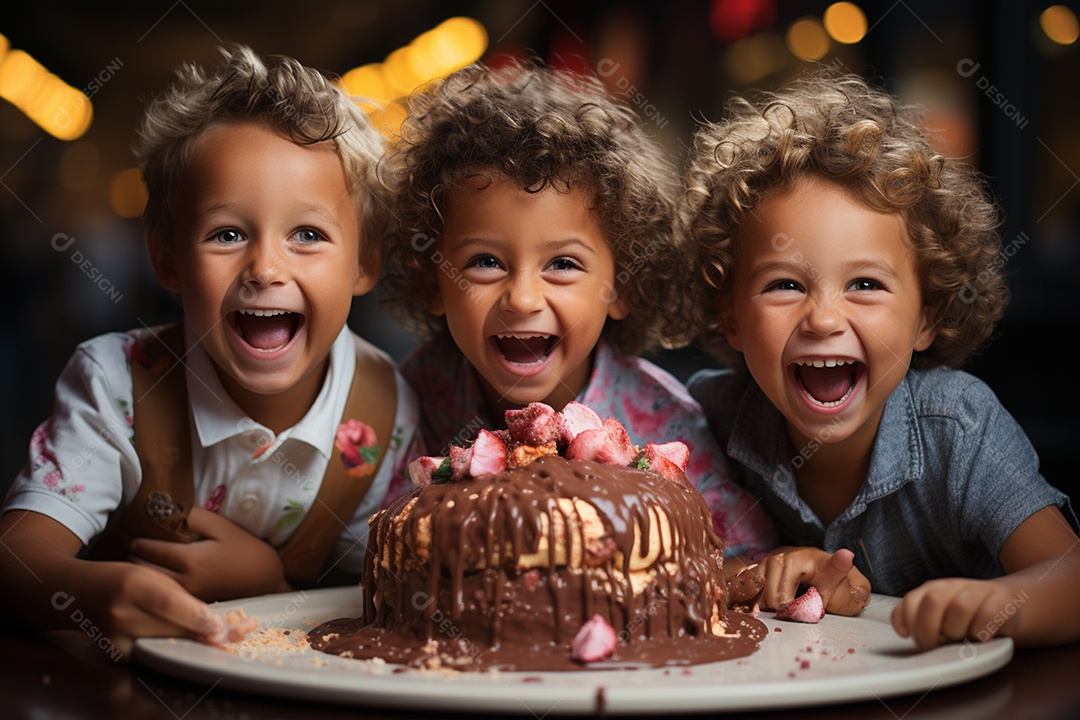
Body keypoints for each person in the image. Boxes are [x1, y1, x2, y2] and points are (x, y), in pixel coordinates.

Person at [0, 45, 418, 656]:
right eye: (227, 234)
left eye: (307, 234)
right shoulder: (117, 384)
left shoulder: (387, 408)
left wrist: (269, 585)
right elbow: (16, 559)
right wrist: (96, 593)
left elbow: (385, 601)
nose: (265, 268)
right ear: (168, 260)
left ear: (365, 263)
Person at [682, 70, 1080, 647]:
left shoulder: (958, 429)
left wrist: (999, 605)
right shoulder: (702, 419)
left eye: (865, 284)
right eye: (785, 285)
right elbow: (665, 573)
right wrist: (749, 571)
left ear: (926, 317)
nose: (823, 319)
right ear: (731, 319)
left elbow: (1070, 575)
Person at [378, 60, 785, 562]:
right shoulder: (411, 401)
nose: (523, 298)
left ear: (622, 286)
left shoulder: (664, 421)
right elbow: (374, 542)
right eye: (485, 262)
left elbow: (741, 547)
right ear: (434, 280)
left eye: (563, 264)